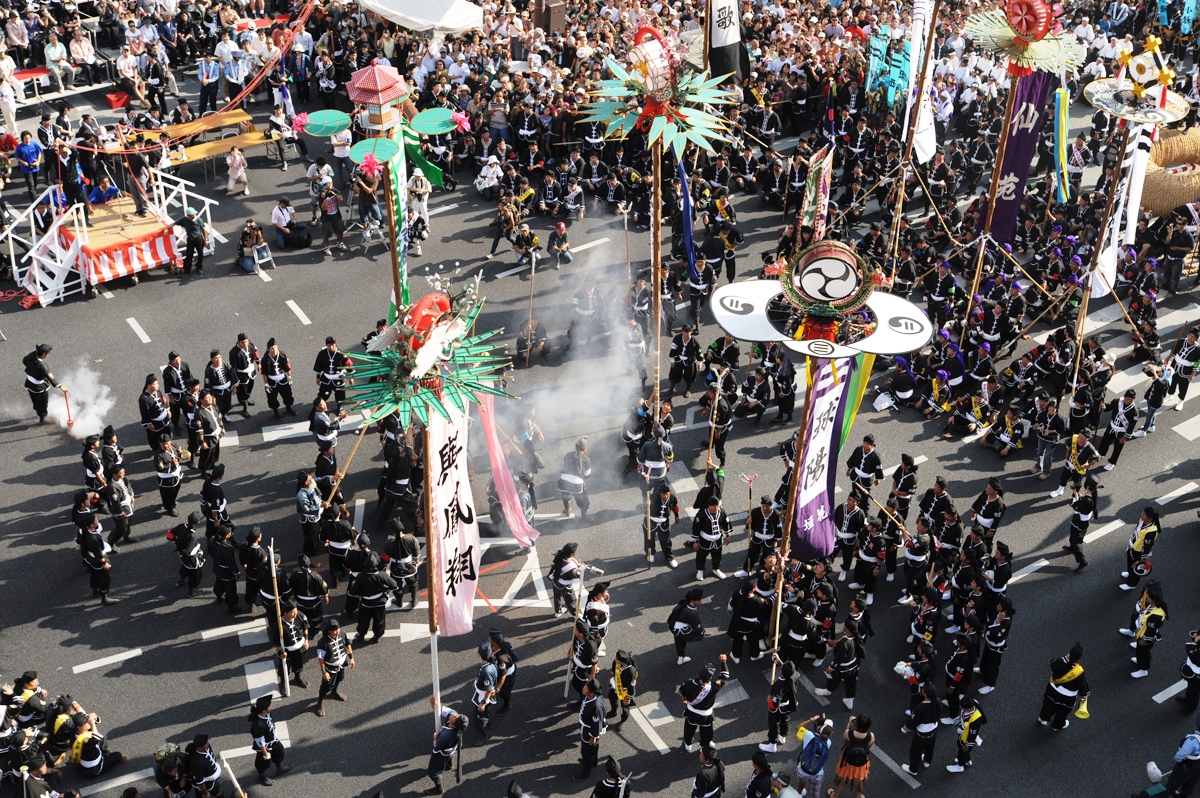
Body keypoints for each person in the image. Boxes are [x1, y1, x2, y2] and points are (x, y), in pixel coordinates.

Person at [679, 656, 730, 753]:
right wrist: (723, 662)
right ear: (710, 677)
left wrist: (685, 698)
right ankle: (704, 746)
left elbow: (682, 692)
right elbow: (725, 676)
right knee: (706, 732)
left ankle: (687, 744)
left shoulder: (688, 683)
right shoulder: (713, 687)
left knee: (689, 729)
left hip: (691, 712)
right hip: (705, 715)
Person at [1120, 580, 1168, 678]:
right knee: (1139, 650)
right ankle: (1139, 661)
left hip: (1145, 636)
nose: (1147, 599)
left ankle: (1143, 669)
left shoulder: (1156, 615)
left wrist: (1143, 640)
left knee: (1144, 652)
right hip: (1141, 632)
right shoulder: (1152, 606)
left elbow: (1151, 631)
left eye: (1149, 598)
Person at [1038, 643, 1089, 730]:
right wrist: (1084, 696)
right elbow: (1082, 686)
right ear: (1079, 659)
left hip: (1052, 690)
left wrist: (1064, 658)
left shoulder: (1060, 661)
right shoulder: (1079, 671)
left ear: (1069, 653)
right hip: (1067, 697)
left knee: (1048, 705)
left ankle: (1043, 718)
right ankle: (1057, 726)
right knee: (1062, 712)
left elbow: (1052, 663)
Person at [425, 704, 467, 795]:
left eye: (456, 718)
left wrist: (435, 738)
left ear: (454, 725)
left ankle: (439, 788)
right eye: (458, 715)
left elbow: (438, 747)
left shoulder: (445, 736)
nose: (455, 715)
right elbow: (442, 710)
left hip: (442, 753)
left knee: (434, 772)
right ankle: (449, 764)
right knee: (450, 755)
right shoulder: (454, 719)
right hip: (451, 749)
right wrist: (434, 704)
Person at [315, 618, 354, 716]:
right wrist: (324, 672)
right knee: (326, 686)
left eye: (338, 629)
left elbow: (348, 644)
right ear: (329, 631)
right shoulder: (323, 642)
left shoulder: (342, 633)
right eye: (334, 630)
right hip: (330, 667)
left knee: (340, 678)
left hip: (342, 663)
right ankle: (319, 702)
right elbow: (321, 659)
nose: (337, 632)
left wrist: (351, 658)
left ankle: (334, 692)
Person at [248, 695, 289, 786]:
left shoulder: (267, 713)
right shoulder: (258, 725)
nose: (271, 706)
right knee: (263, 762)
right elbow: (260, 741)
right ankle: (262, 776)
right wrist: (265, 753)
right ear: (263, 710)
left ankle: (280, 768)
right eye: (269, 706)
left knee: (279, 752)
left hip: (273, 741)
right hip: (265, 746)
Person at [829, 714, 873, 798]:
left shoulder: (848, 733)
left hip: (847, 762)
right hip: (861, 764)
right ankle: (859, 796)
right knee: (860, 780)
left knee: (841, 778)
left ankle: (835, 795)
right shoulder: (871, 736)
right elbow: (868, 747)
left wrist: (848, 725)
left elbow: (844, 740)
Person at [23, 343, 66, 424]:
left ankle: (37, 411)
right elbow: (50, 377)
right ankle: (42, 417)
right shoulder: (42, 366)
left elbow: (24, 360)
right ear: (43, 355)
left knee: (35, 400)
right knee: (43, 403)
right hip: (39, 386)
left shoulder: (30, 357)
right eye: (47, 354)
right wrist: (60, 386)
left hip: (29, 383)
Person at [1120, 507, 1162, 591]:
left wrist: (1144, 558)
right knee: (1130, 562)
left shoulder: (1151, 531)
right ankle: (1129, 573)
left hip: (1139, 552)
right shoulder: (1142, 521)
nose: (1142, 514)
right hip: (1133, 547)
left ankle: (1131, 584)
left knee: (1136, 567)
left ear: (1150, 519)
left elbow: (1147, 546)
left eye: (1144, 514)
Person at [691, 495, 731, 580]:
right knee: (701, 556)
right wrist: (695, 541)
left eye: (716, 505)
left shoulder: (722, 513)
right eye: (712, 506)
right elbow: (696, 528)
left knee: (717, 556)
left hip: (717, 539)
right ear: (708, 505)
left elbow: (726, 524)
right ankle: (700, 570)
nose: (715, 508)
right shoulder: (701, 514)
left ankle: (716, 569)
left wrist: (727, 536)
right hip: (705, 539)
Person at [575, 679, 607, 781]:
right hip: (587, 727)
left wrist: (593, 736)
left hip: (589, 730)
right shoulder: (593, 697)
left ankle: (586, 771)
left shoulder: (595, 707)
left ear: (592, 693)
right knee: (592, 748)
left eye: (585, 688)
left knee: (586, 750)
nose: (583, 688)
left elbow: (596, 723)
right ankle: (593, 762)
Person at [945, 695, 986, 773]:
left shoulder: (976, 720)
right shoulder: (972, 704)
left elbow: (973, 734)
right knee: (961, 748)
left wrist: (968, 744)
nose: (963, 710)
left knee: (963, 750)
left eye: (964, 709)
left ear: (971, 708)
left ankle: (960, 766)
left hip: (966, 737)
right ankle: (966, 760)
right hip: (963, 733)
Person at [558, 438, 592, 519]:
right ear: (585, 449)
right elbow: (587, 476)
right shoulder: (587, 460)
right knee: (584, 502)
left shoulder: (568, 454)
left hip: (563, 482)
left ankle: (567, 510)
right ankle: (584, 518)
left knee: (566, 496)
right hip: (577, 485)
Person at [1166, 717, 1200, 798]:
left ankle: (1166, 793)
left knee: (1175, 780)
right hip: (1198, 764)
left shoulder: (1192, 741)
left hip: (1187, 765)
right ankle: (1183, 795)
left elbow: (1181, 754)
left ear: (1196, 725)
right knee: (1191, 781)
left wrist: (1177, 759)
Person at [317, 183, 348, 254]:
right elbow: (323, 208)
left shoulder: (335, 190)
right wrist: (325, 198)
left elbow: (341, 199)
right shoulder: (321, 195)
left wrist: (334, 193)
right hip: (326, 218)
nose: (328, 189)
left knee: (340, 230)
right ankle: (326, 248)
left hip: (336, 215)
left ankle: (339, 243)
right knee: (326, 234)